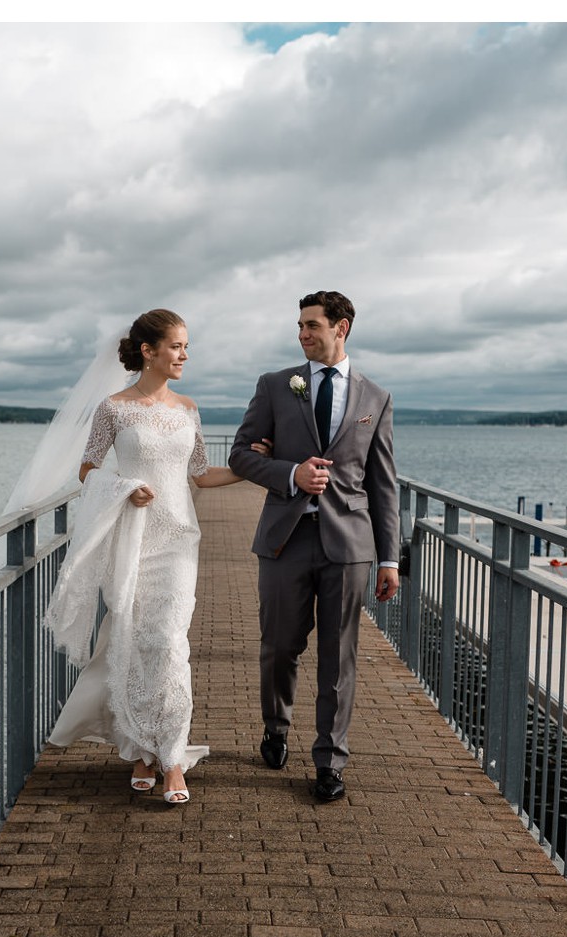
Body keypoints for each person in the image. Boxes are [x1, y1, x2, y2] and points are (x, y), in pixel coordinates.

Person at [44, 309, 265, 804]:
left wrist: (257, 468)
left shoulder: (187, 408)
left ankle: (171, 756)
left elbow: (202, 474)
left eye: (187, 347)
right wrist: (124, 489)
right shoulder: (114, 409)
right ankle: (141, 750)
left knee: (168, 642)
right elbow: (87, 469)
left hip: (178, 541)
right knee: (136, 641)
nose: (184, 355)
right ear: (149, 351)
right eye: (177, 346)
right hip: (134, 538)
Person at [228, 290, 398, 803]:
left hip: (349, 545)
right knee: (279, 646)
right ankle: (276, 727)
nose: (302, 335)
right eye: (299, 326)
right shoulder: (276, 385)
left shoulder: (376, 398)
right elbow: (239, 455)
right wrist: (289, 473)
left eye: (311, 326)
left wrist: (389, 557)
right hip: (285, 538)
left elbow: (383, 483)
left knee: (339, 656)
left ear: (341, 328)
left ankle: (329, 760)